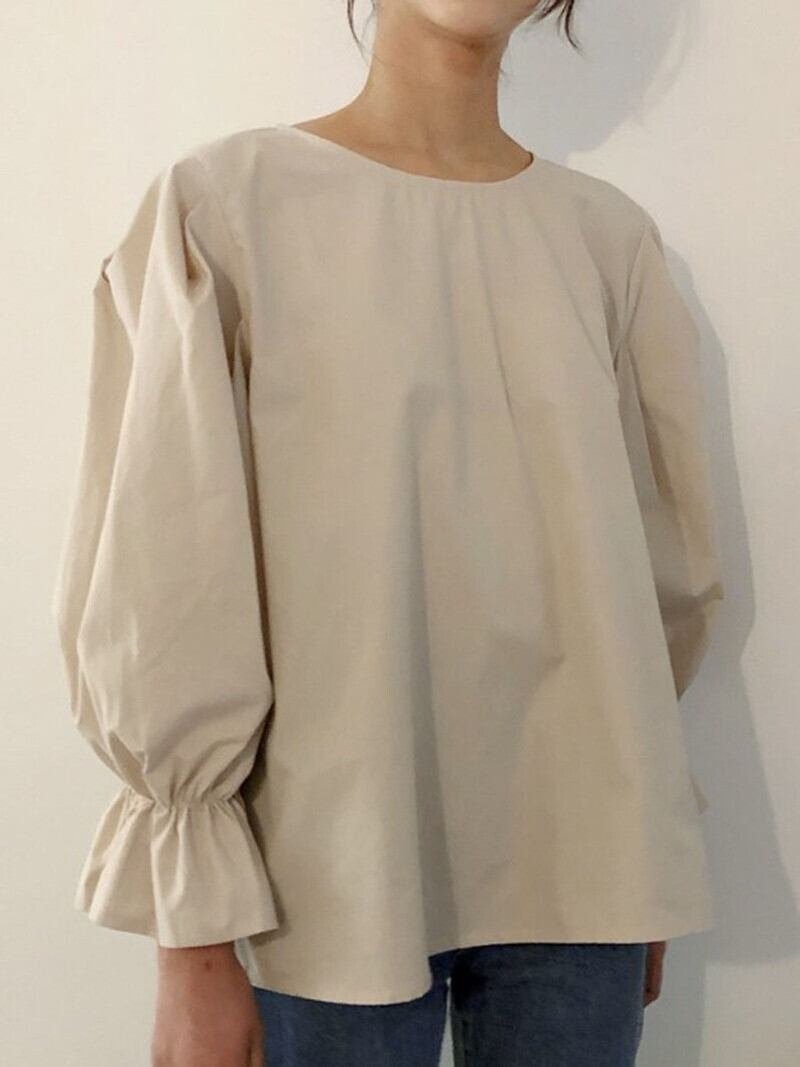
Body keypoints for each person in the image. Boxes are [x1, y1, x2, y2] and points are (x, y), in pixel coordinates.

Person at [51, 1, 725, 1064]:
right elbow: (162, 576)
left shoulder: (607, 239)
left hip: (586, 866)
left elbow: (659, 578)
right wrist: (192, 938)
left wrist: (640, 845)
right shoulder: (228, 205)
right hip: (321, 878)